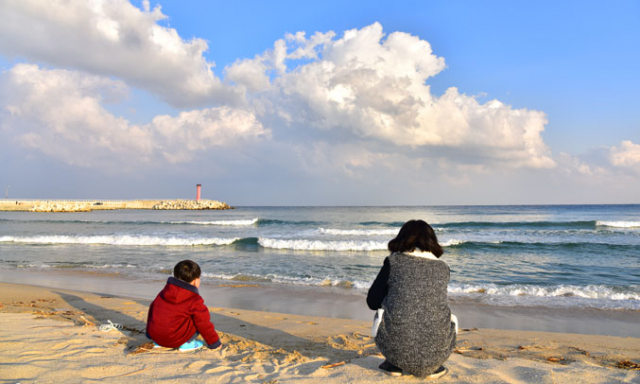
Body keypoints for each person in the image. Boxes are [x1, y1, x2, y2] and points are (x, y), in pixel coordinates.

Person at [366, 220, 457, 378]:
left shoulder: (393, 263)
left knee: (383, 312)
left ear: (402, 239)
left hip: (396, 348)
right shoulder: (443, 267)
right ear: (432, 241)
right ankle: (433, 365)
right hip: (438, 352)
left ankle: (393, 364)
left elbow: (372, 302)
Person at [147, 260, 222, 352]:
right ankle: (186, 344)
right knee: (199, 318)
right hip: (175, 340)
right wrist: (214, 343)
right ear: (196, 281)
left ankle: (159, 343)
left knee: (161, 309)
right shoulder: (194, 299)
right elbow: (204, 324)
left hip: (156, 337)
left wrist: (150, 334)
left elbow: (152, 309)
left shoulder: (164, 292)